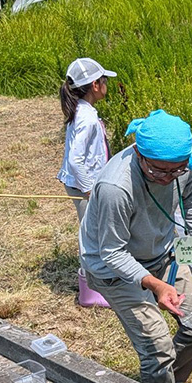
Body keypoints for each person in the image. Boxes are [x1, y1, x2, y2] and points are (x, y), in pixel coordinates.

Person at [80, 108, 192, 383]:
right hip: (112, 268)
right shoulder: (116, 187)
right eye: (158, 170)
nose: (168, 178)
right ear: (139, 153)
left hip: (163, 252)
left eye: (177, 170)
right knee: (158, 347)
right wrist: (156, 285)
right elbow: (112, 252)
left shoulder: (184, 153)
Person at [57, 57, 118, 308]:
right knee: (90, 234)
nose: (106, 85)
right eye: (104, 81)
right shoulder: (87, 118)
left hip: (84, 183)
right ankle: (90, 291)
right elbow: (75, 158)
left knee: (93, 231)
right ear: (95, 85)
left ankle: (94, 283)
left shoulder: (84, 111)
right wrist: (88, 189)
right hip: (83, 186)